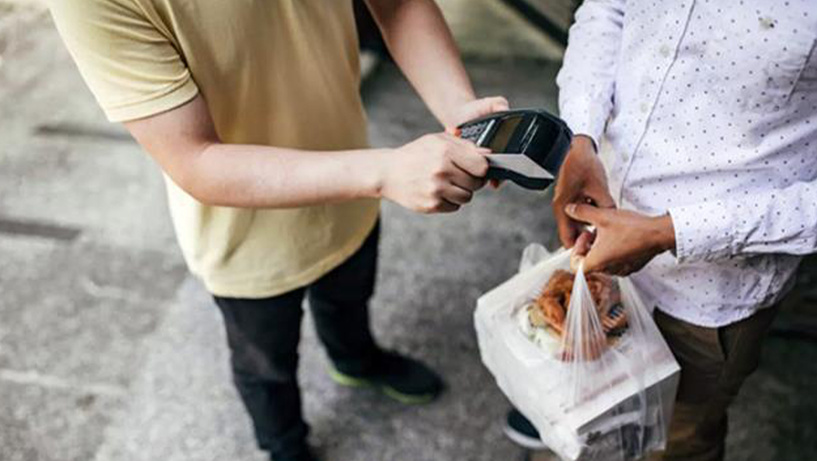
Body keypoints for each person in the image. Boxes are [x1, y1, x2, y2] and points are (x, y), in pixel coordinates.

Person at [46, 1, 509, 460]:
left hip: (354, 187)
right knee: (265, 365)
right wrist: (385, 172)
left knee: (350, 298)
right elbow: (193, 158)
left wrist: (460, 112)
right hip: (245, 236)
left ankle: (356, 361)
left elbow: (399, 4)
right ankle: (284, 445)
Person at [504, 1, 817, 460]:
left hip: (709, 291)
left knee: (676, 441)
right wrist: (580, 133)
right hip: (596, 231)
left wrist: (671, 233)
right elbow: (607, 10)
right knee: (576, 408)